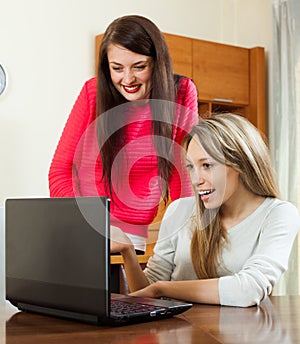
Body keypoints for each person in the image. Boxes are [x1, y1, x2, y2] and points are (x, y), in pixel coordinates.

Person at [111, 113, 300, 307]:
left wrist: (163, 289)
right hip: (175, 333)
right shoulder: (179, 211)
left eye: (207, 165)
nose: (196, 179)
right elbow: (147, 292)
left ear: (240, 163)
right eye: (191, 167)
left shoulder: (279, 214)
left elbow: (249, 290)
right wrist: (128, 252)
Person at [48, 15, 199, 252]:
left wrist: (179, 238)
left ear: (157, 63)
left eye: (139, 67)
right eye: (117, 68)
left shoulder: (181, 92)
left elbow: (183, 176)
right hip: (83, 225)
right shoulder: (92, 93)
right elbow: (60, 171)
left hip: (134, 234)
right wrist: (95, 224)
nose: (128, 79)